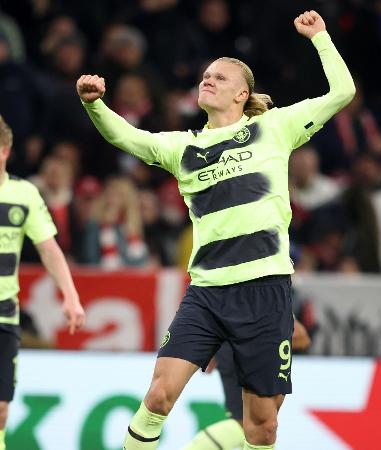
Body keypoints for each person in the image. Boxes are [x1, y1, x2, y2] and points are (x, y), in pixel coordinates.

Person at [77, 10, 355, 449]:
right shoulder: (182, 147)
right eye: (206, 75)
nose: (208, 80)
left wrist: (320, 36)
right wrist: (94, 104)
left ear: (243, 94)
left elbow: (342, 92)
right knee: (158, 395)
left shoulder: (274, 128)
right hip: (206, 292)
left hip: (265, 289)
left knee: (261, 427)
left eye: (220, 77)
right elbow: (126, 137)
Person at [0, 116, 86, 450]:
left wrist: (71, 296)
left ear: (5, 151)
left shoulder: (24, 194)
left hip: (5, 317)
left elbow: (49, 249)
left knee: (2, 410)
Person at [183, 320, 311, 450]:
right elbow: (301, 338)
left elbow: (300, 338)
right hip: (240, 352)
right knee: (251, 426)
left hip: (233, 347)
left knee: (252, 426)